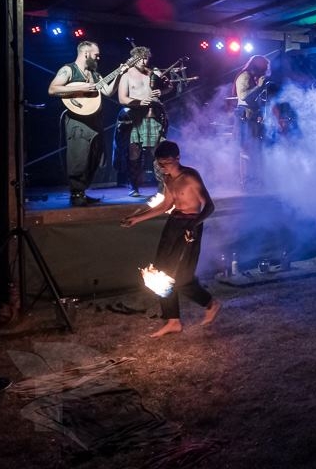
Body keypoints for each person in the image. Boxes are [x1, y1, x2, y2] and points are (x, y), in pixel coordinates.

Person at [121, 140, 220, 338]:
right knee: (160, 273)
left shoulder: (190, 177)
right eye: (160, 164)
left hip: (190, 226)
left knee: (183, 278)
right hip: (173, 224)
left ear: (177, 158)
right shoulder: (167, 179)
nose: (163, 167)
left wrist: (194, 224)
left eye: (167, 163)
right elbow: (166, 205)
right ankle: (173, 321)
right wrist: (136, 219)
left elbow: (209, 206)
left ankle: (211, 303)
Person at [48, 41, 119, 206]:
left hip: (95, 120)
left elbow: (108, 92)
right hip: (77, 121)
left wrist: (119, 74)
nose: (98, 58)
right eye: (96, 55)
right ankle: (76, 193)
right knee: (79, 157)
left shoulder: (95, 75)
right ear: (86, 53)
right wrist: (81, 89)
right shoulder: (68, 70)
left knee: (95, 157)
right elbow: (53, 89)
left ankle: (82, 191)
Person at [116, 46, 166, 197]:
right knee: (134, 153)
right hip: (134, 118)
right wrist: (138, 102)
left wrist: (162, 91)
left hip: (153, 117)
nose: (144, 62)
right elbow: (122, 98)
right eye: (141, 59)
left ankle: (162, 186)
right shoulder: (126, 76)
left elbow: (169, 86)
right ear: (133, 59)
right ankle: (134, 186)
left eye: (146, 58)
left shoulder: (153, 73)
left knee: (158, 152)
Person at [232, 54, 272, 188]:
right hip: (245, 117)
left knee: (255, 149)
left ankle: (255, 180)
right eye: (264, 67)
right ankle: (246, 182)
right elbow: (243, 96)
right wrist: (259, 86)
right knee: (246, 150)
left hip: (252, 117)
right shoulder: (244, 76)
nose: (266, 70)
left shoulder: (253, 77)